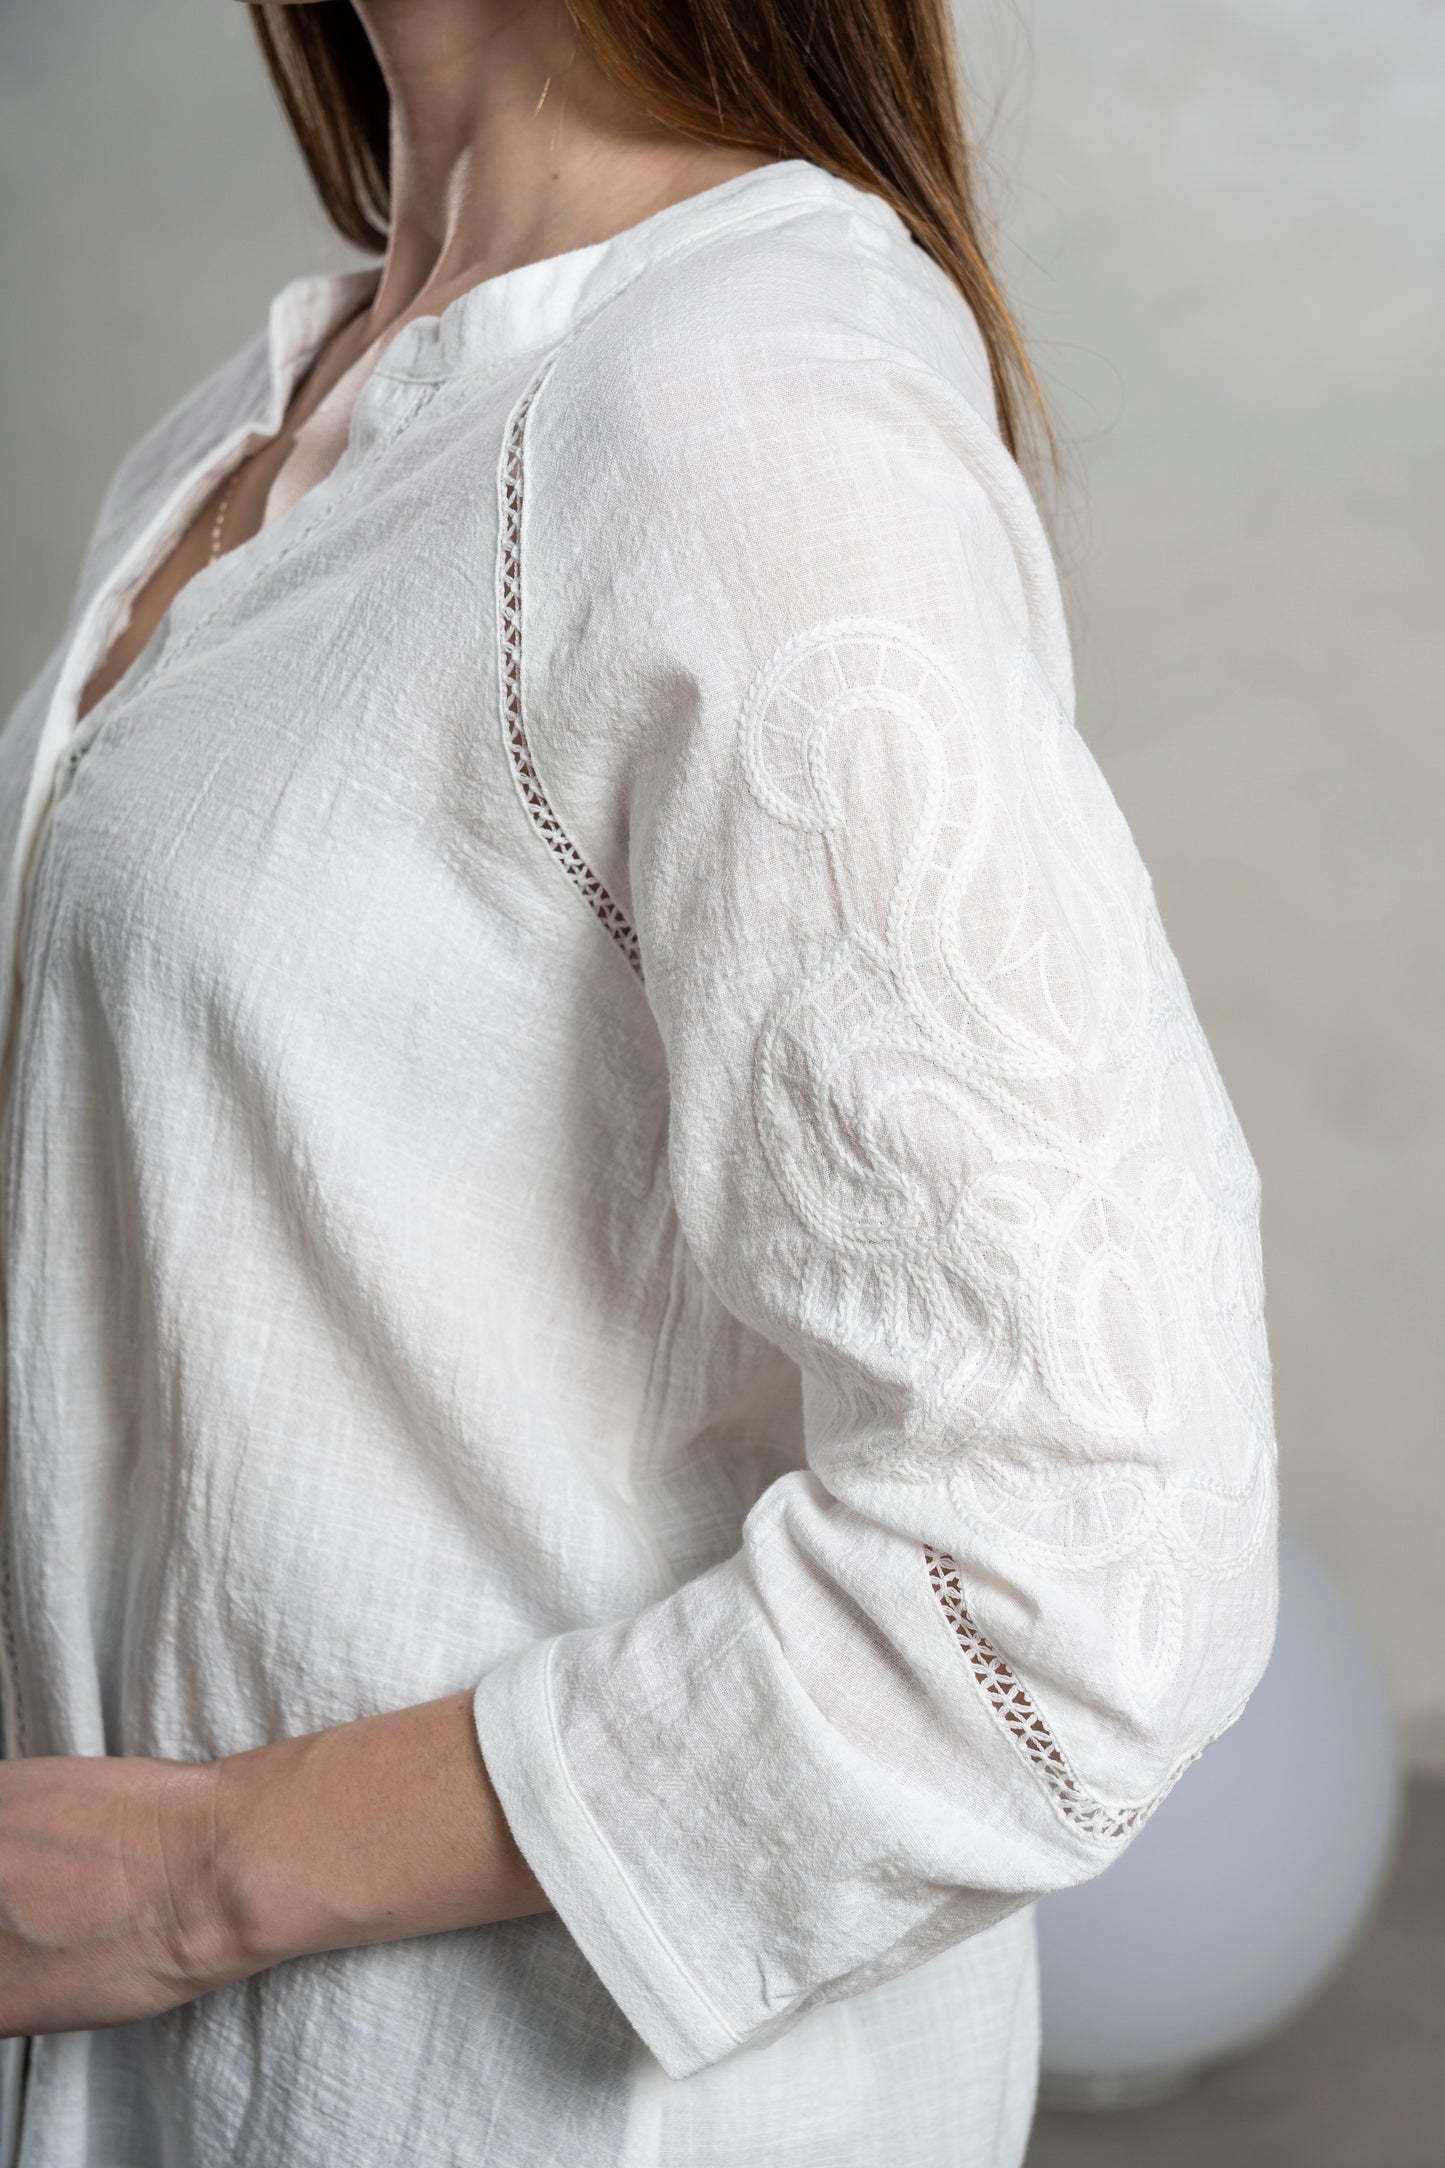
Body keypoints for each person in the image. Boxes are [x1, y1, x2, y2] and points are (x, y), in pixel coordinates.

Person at [0, 0, 1280, 2161]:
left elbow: (1080, 1567)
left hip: (519, 2107)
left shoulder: (738, 410)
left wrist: (194, 1871)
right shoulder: (264, 417)